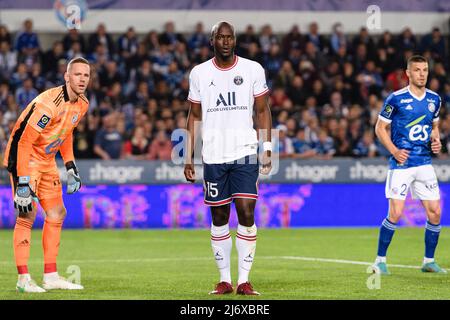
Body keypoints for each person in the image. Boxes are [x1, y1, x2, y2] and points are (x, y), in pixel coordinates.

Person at [184, 21, 272, 295]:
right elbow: (194, 116)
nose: (225, 41)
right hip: (213, 156)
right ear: (212, 40)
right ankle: (225, 279)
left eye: (229, 37)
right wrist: (189, 156)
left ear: (235, 40)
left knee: (246, 212)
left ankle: (244, 280)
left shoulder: (252, 69)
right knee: (219, 216)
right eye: (220, 37)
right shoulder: (199, 73)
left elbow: (262, 110)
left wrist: (267, 146)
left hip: (245, 153)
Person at [3, 57, 90, 292]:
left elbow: (66, 132)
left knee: (57, 212)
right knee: (27, 214)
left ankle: (50, 276)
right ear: (67, 76)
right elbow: (23, 143)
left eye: (86, 75)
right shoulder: (48, 104)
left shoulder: (82, 104)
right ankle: (23, 279)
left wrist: (70, 165)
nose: (82, 79)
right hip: (25, 157)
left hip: (47, 159)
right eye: (78, 74)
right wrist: (23, 182)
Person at [372, 55, 446, 275]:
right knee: (395, 213)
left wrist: (437, 140)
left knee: (435, 213)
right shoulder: (395, 99)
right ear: (408, 73)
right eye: (417, 70)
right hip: (401, 164)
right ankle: (379, 261)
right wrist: (394, 150)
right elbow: (379, 128)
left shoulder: (435, 99)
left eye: (425, 70)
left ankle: (428, 261)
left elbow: (434, 126)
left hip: (424, 162)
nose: (422, 74)